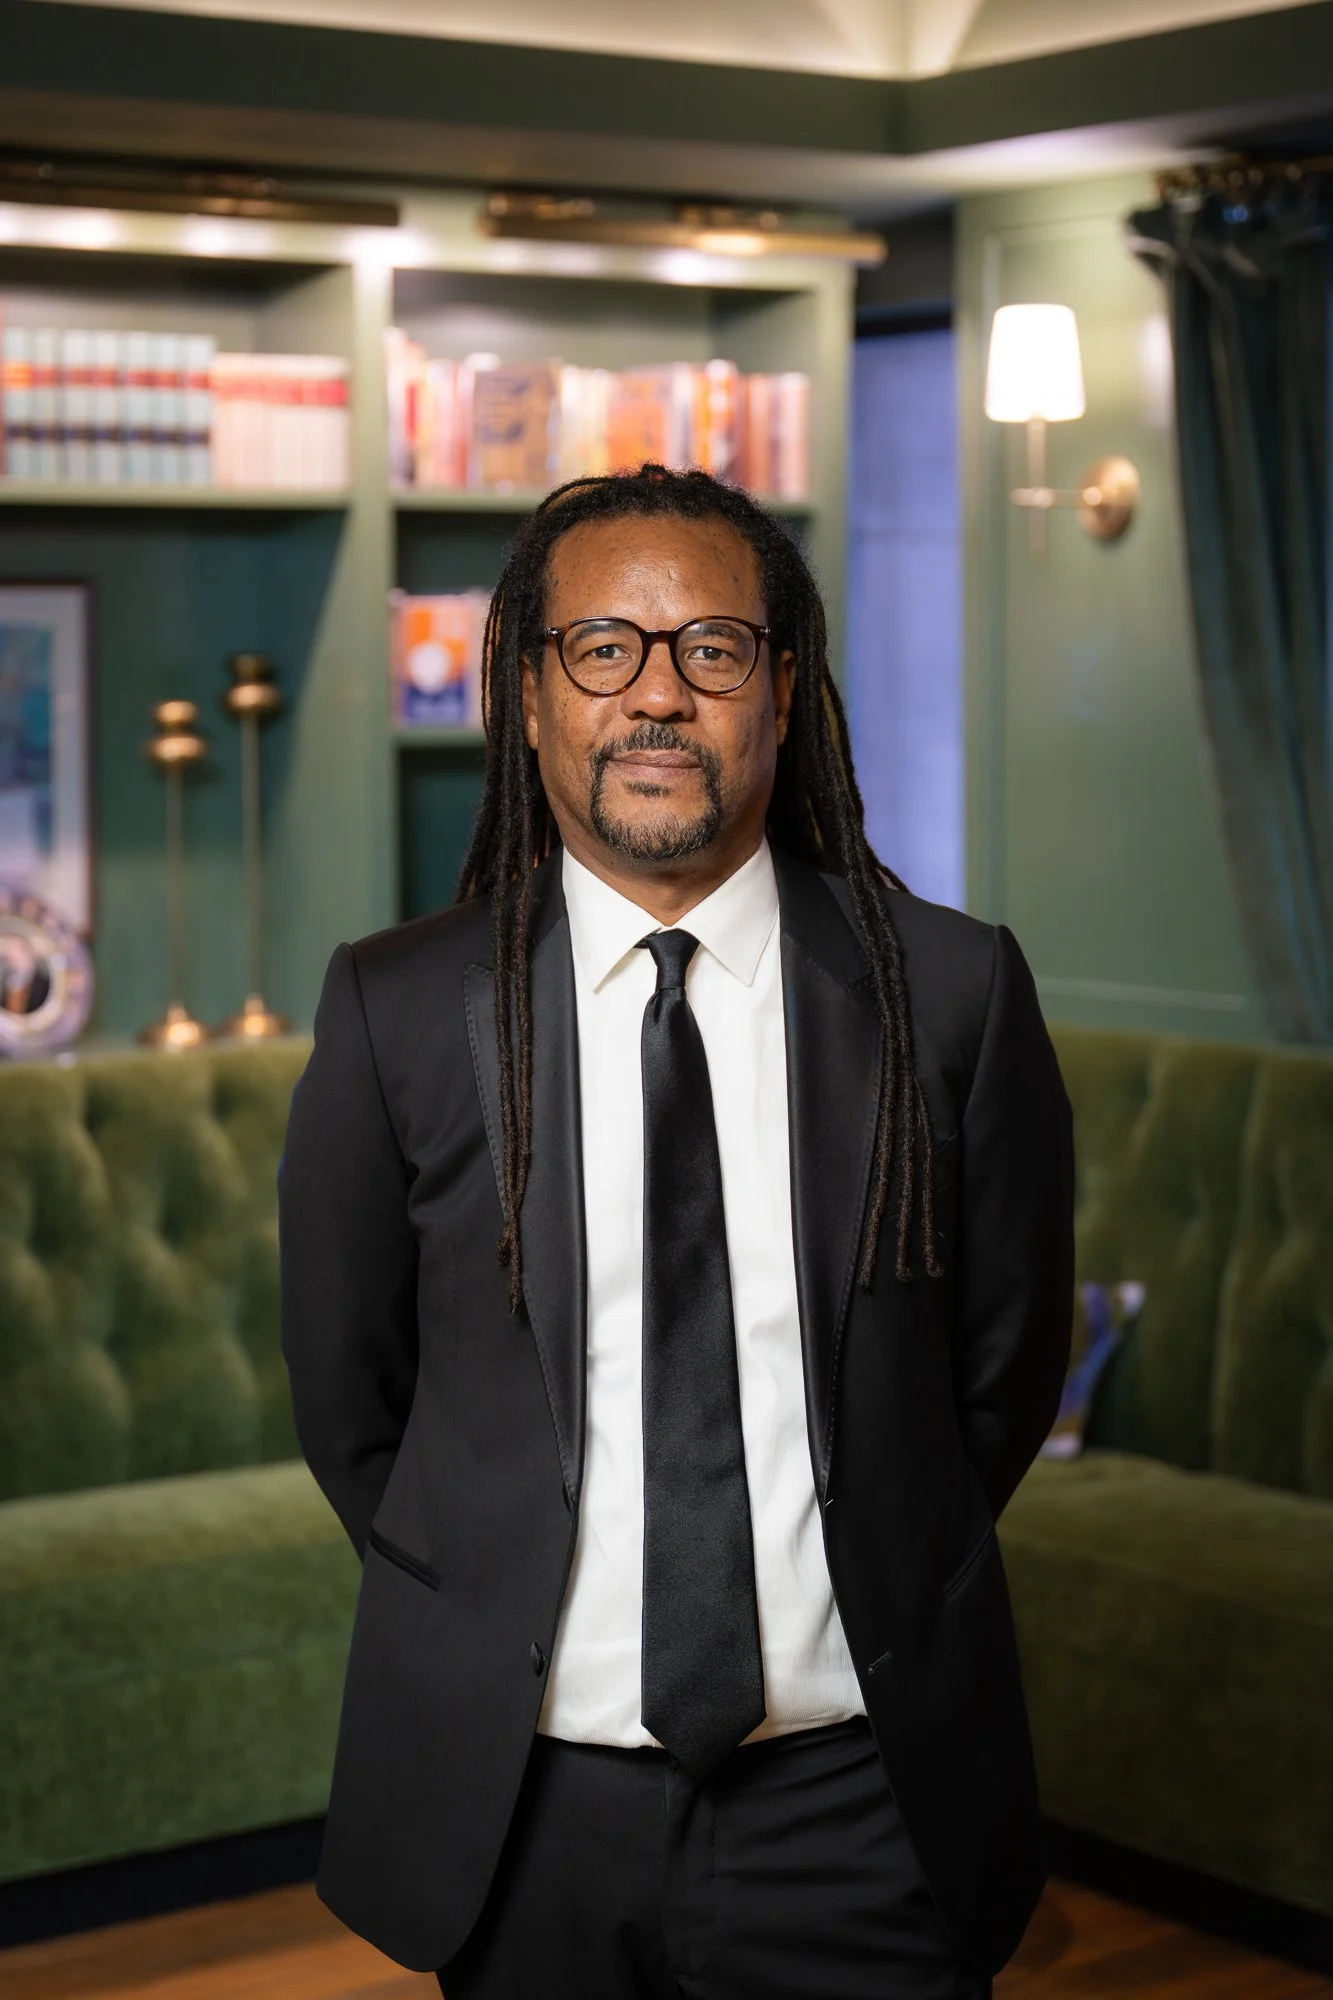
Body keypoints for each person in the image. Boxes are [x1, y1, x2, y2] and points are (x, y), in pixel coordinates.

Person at [279, 464, 1074, 2000]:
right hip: (523, 1814)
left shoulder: (950, 994)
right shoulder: (399, 1011)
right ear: (528, 697)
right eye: (602, 651)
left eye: (710, 649)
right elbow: (352, 1405)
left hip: (865, 1802)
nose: (656, 695)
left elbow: (997, 1378)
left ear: (781, 687)